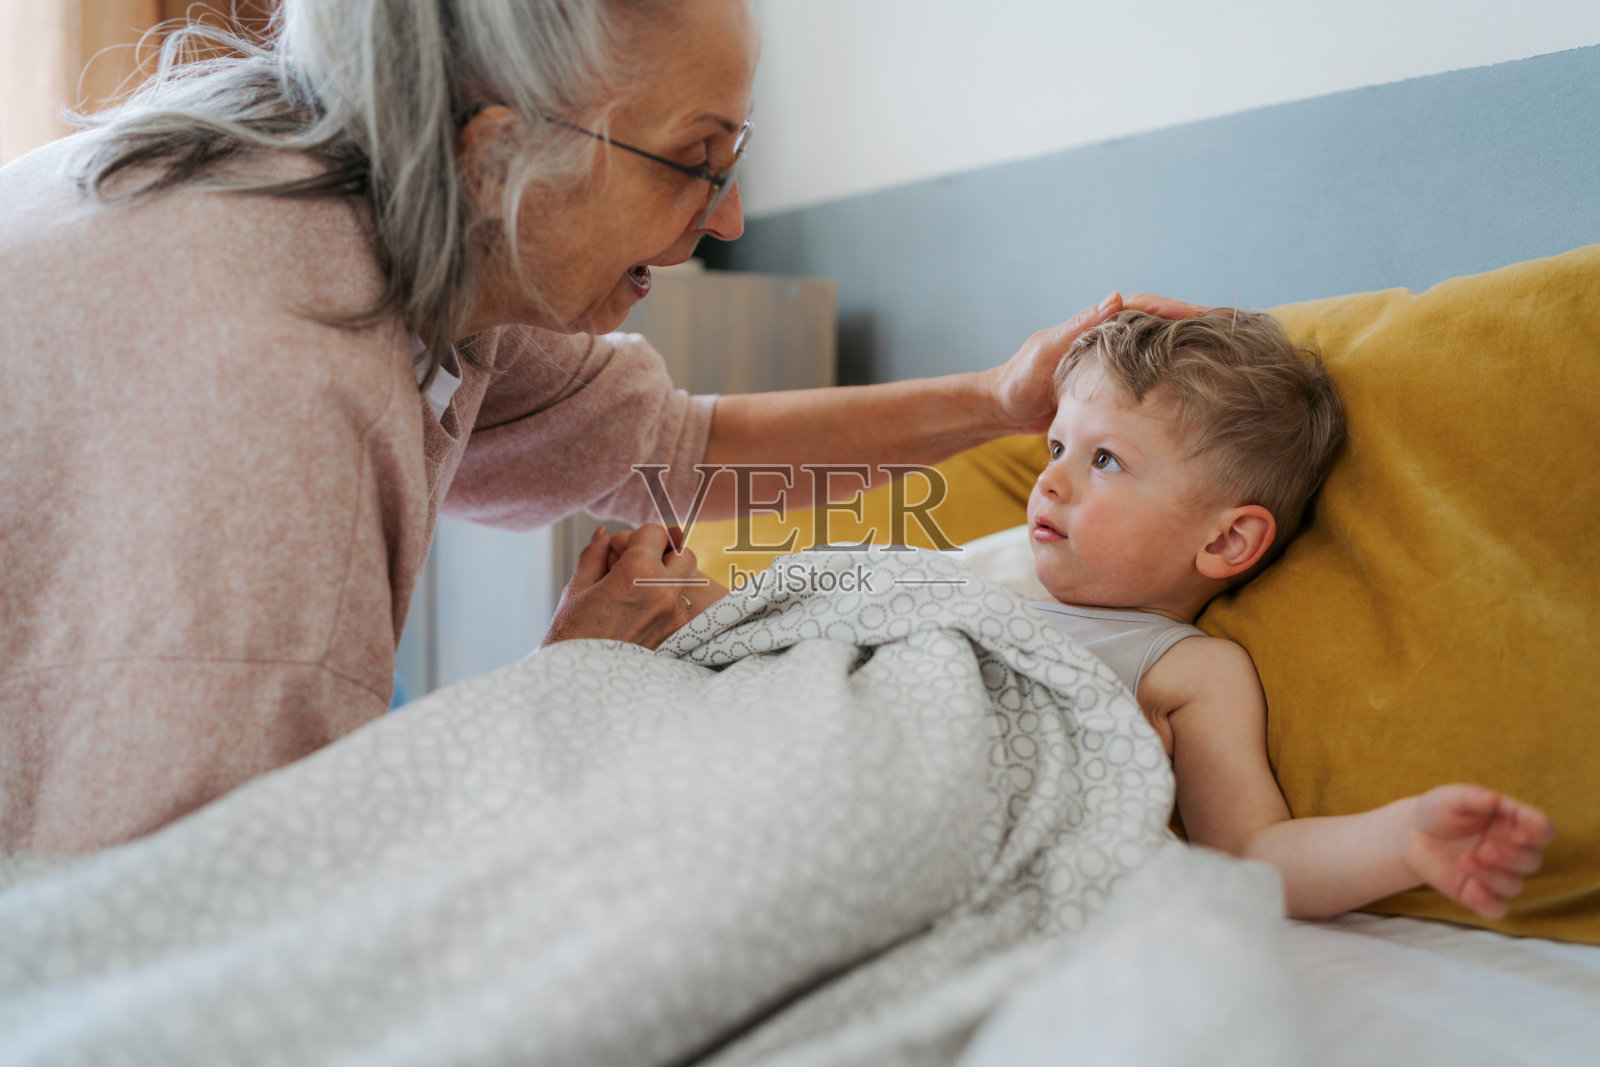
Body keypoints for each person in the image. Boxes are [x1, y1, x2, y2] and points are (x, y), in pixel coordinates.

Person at [0, 0, 1197, 854]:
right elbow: (223, 906)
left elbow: (672, 448)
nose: (724, 221)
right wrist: (567, 688)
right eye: (694, 160)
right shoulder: (268, 389)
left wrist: (997, 401)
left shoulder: (387, 229)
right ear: (496, 154)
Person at [1023, 309, 1554, 919]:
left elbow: (1253, 855)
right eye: (1058, 445)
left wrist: (1402, 841)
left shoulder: (1191, 669)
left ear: (1226, 542)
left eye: (1105, 460)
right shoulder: (990, 599)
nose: (1049, 481)